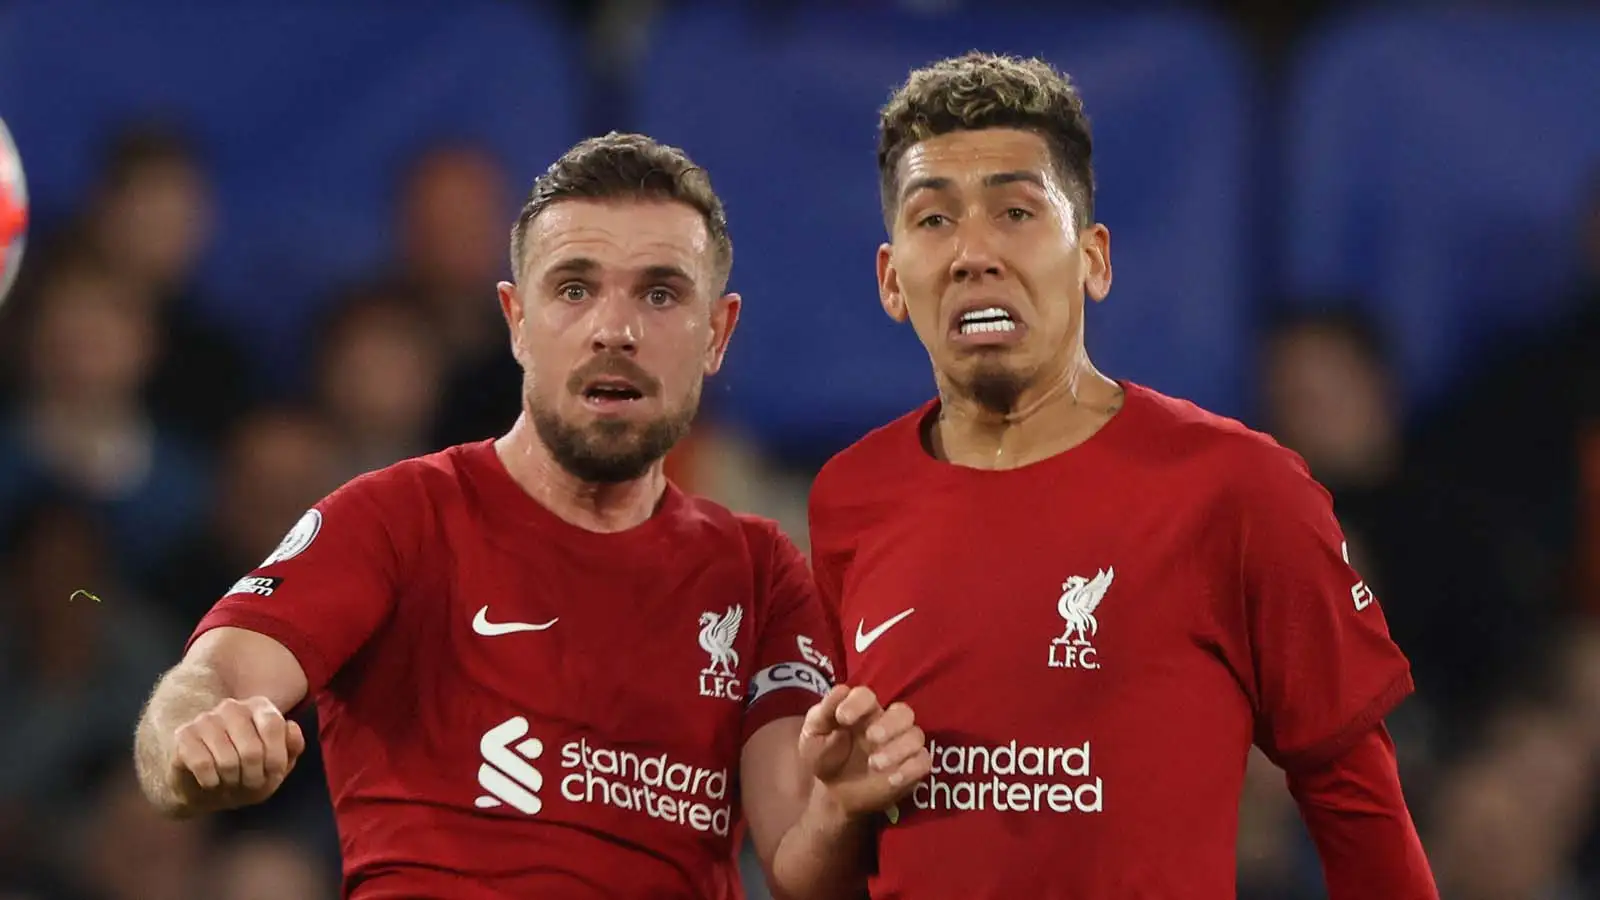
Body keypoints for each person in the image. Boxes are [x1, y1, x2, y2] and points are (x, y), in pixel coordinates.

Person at [133, 132, 929, 899]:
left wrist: (837, 807)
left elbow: (798, 865)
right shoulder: (401, 517)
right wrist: (200, 733)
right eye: (574, 288)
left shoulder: (758, 572)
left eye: (660, 293)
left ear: (717, 334)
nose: (614, 331)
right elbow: (213, 680)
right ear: (516, 321)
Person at [807, 52, 1438, 898]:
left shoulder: (1238, 488)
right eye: (933, 220)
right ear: (892, 280)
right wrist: (839, 814)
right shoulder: (849, 499)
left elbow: (1361, 814)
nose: (974, 253)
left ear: (1094, 259)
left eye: (1017, 211)